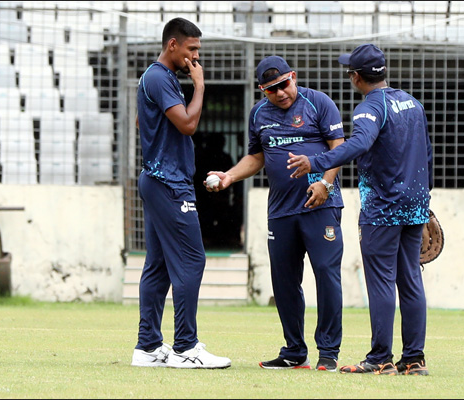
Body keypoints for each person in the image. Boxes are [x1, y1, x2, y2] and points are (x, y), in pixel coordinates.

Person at [287, 44, 433, 376]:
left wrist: (317, 161)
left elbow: (361, 142)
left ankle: (380, 358)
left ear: (356, 77)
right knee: (410, 280)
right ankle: (413, 359)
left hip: (383, 208)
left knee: (381, 281)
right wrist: (426, 202)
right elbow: (427, 154)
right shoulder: (413, 103)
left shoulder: (369, 107)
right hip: (414, 206)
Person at [204, 56, 346, 372]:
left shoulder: (318, 103)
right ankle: (294, 351)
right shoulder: (258, 114)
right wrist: (229, 176)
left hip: (320, 206)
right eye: (272, 89)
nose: (280, 93)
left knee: (326, 274)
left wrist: (325, 182)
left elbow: (339, 145)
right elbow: (257, 156)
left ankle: (329, 351)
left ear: (293, 77)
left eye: (284, 84)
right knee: (283, 283)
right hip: (281, 211)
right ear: (262, 90)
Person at [130, 17, 231, 369]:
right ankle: (186, 347)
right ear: (173, 45)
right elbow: (187, 125)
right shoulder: (160, 76)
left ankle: (147, 348)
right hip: (168, 182)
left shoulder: (156, 78)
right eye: (192, 49)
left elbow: (143, 121)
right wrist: (200, 87)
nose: (196, 58)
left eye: (198, 51)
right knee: (192, 259)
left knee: (158, 266)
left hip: (158, 179)